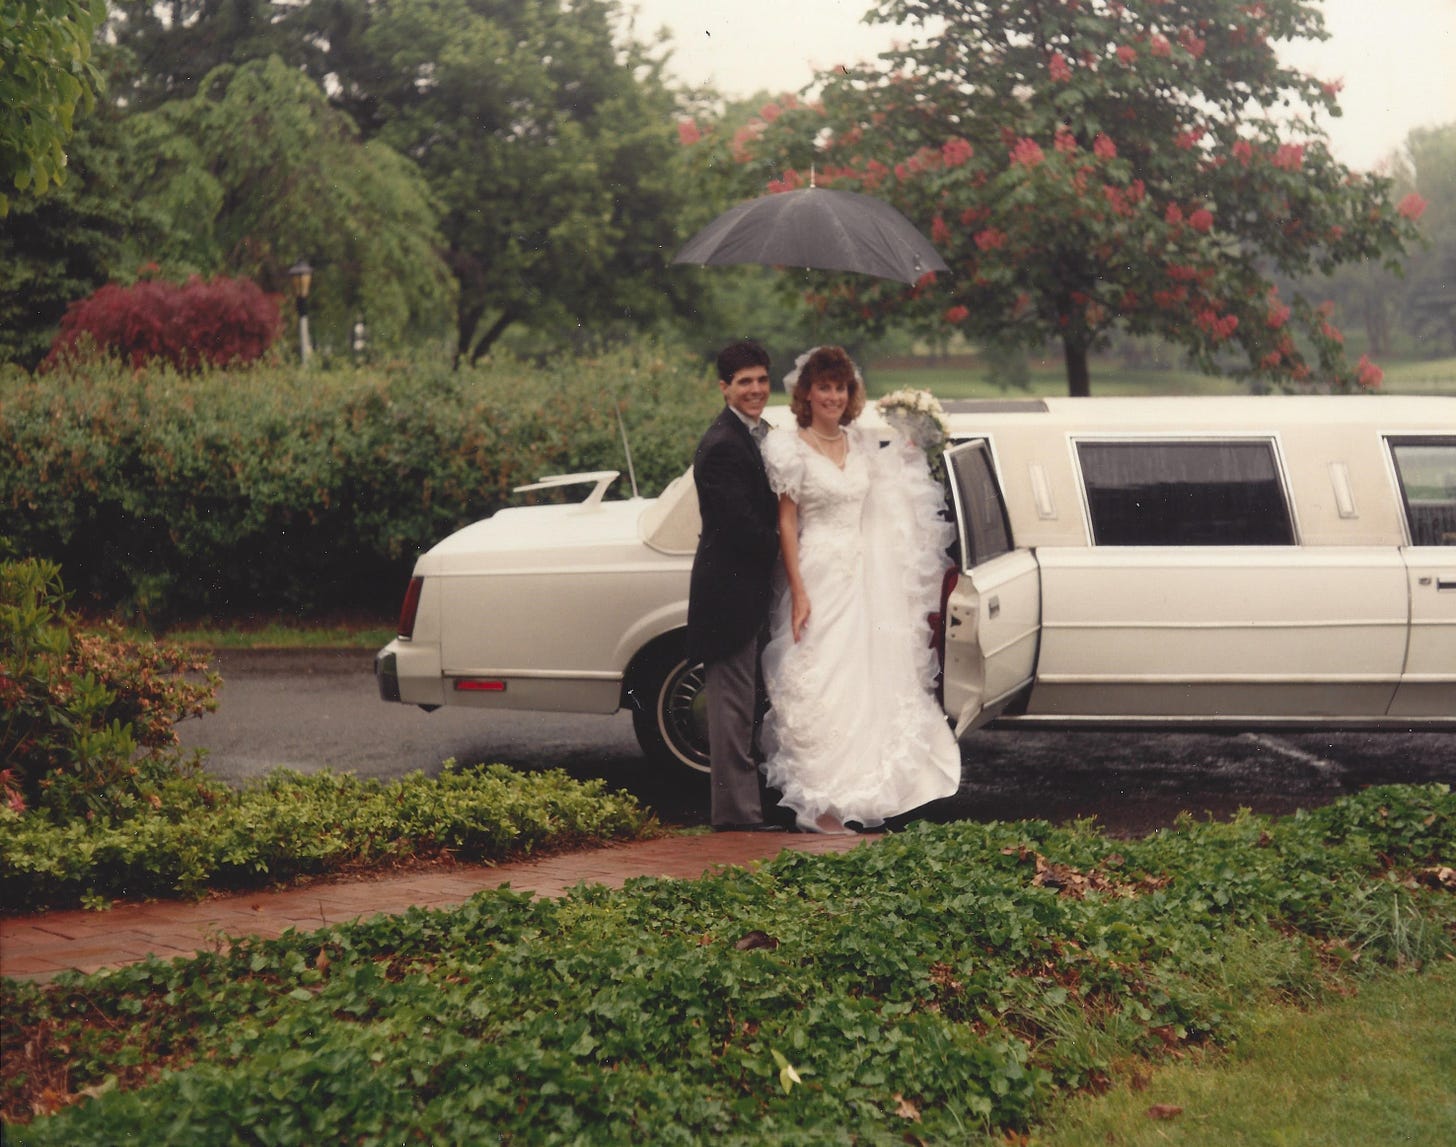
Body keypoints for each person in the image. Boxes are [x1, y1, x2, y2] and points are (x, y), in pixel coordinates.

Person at [758, 346, 961, 834]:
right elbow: (787, 524)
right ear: (806, 393)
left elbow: (887, 492)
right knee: (824, 674)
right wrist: (800, 591)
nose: (832, 396)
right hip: (820, 572)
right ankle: (823, 797)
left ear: (851, 395)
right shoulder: (789, 447)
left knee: (872, 677)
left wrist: (911, 449)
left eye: (840, 387)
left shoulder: (860, 442)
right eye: (823, 387)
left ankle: (869, 789)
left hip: (870, 577)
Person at [686, 340, 783, 831]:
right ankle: (736, 820)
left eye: (762, 380)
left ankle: (745, 812)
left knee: (745, 709)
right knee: (731, 714)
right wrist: (795, 543)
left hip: (750, 594)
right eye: (745, 382)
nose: (756, 389)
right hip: (728, 598)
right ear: (724, 387)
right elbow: (742, 528)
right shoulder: (722, 445)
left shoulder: (761, 432)